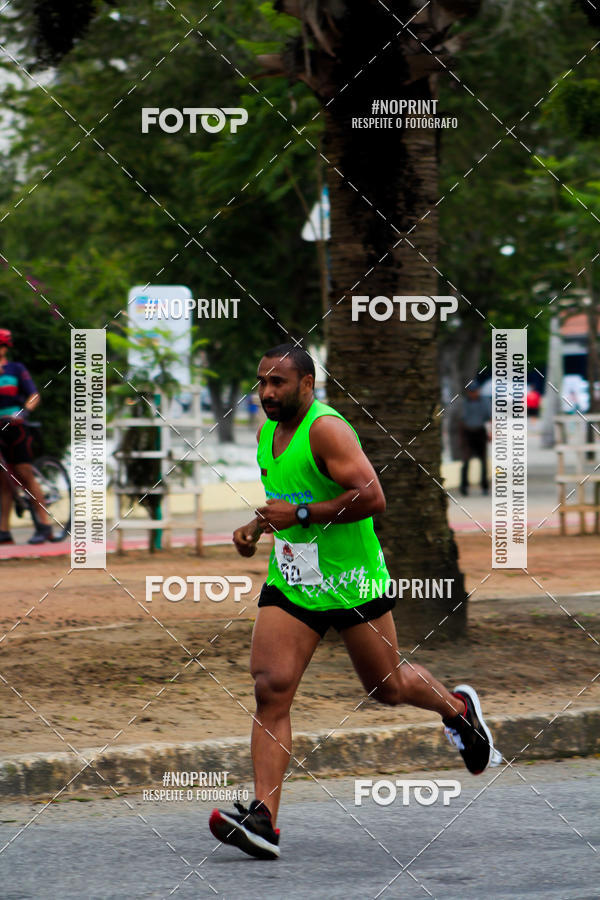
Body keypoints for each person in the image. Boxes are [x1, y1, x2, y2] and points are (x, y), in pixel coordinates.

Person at [209, 343, 497, 860]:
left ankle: (458, 712)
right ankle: (263, 819)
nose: (267, 392)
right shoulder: (267, 434)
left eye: (277, 382)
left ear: (306, 384)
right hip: (295, 580)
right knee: (270, 688)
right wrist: (256, 526)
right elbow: (289, 498)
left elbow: (371, 496)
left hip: (352, 581)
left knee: (388, 687)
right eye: (262, 382)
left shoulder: (326, 429)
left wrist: (300, 517)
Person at [0, 329, 54, 544]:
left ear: (5, 348)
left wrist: (23, 413)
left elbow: (34, 395)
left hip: (16, 426)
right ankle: (4, 531)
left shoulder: (16, 369)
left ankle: (45, 525)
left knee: (24, 473)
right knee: (3, 480)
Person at [459, 381, 491, 496]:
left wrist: (491, 432)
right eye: (471, 392)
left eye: (475, 391)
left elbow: (490, 418)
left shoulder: (485, 401)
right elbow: (461, 420)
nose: (473, 394)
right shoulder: (464, 402)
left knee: (483, 461)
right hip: (468, 433)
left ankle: (484, 486)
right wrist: (461, 437)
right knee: (465, 461)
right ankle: (464, 486)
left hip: (480, 432)